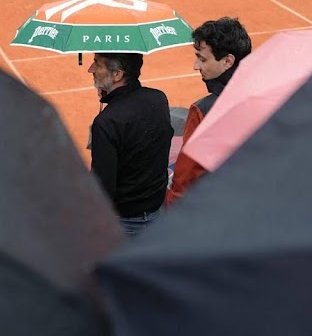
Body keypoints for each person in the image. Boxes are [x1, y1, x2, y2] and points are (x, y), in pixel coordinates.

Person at [166, 18, 251, 205]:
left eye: (202, 58)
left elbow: (185, 180)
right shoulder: (271, 97)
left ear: (228, 61)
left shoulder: (203, 111)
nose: (195, 66)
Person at [88, 52, 173, 235]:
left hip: (124, 224)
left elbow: (102, 188)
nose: (91, 69)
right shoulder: (159, 98)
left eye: (97, 64)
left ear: (117, 74)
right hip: (158, 214)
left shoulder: (107, 122)